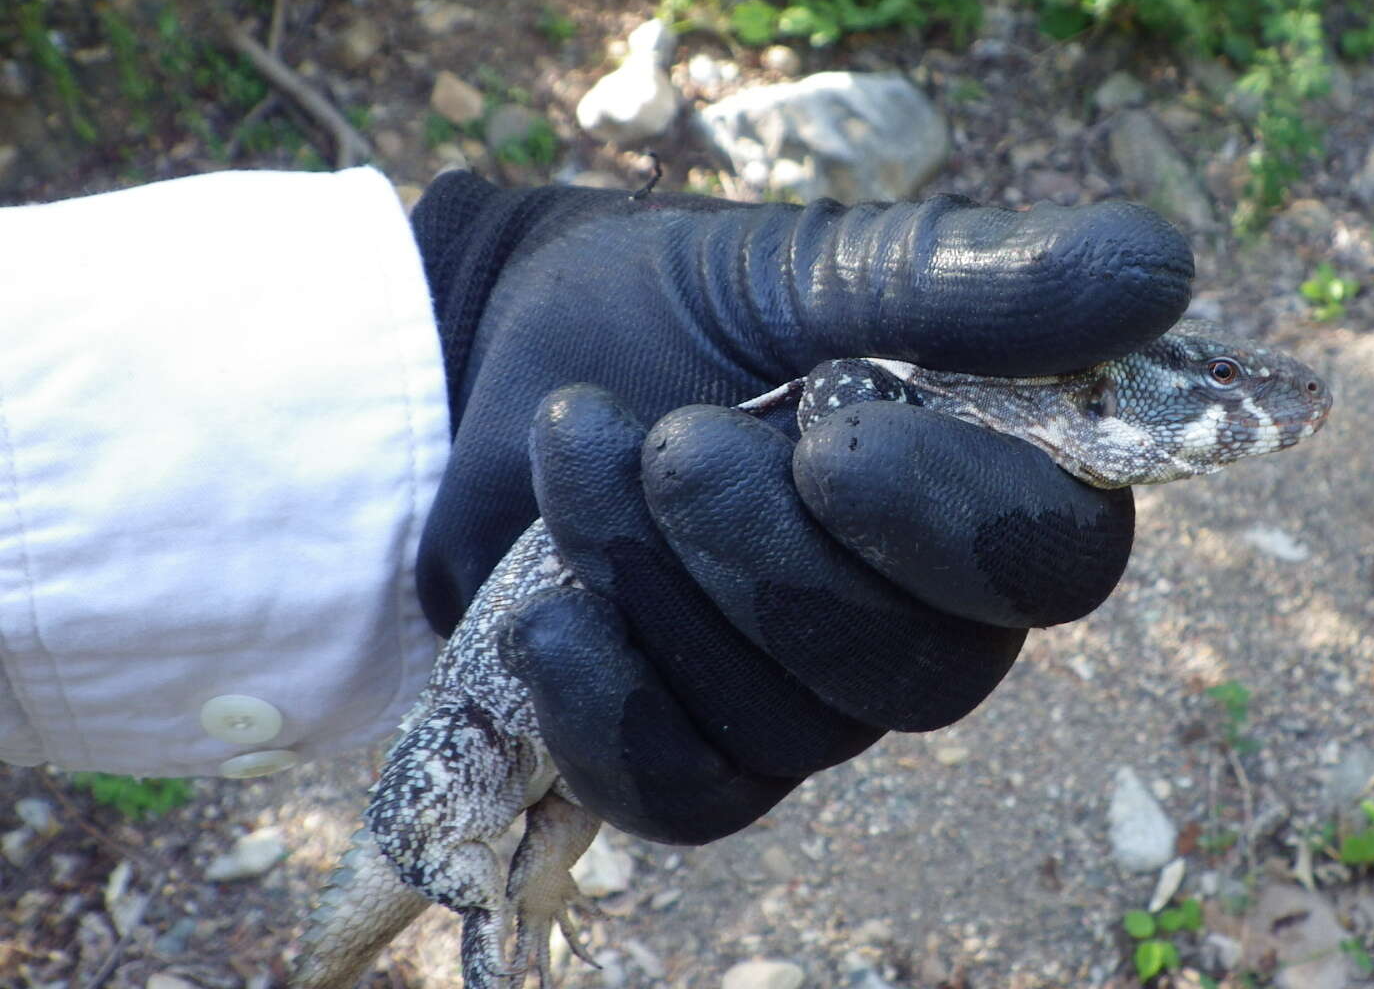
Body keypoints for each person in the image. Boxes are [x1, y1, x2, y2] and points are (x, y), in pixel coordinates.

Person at [0, 166, 1194, 843]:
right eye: (1224, 385)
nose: (1267, 402)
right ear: (1114, 396)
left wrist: (460, 306)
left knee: (597, 733)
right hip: (502, 629)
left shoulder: (1025, 421)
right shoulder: (1007, 405)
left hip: (506, 600)